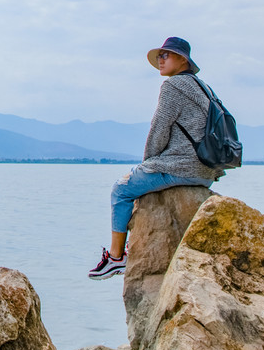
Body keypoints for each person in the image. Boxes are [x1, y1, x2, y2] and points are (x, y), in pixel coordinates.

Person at [88, 36, 218, 281]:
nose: (161, 59)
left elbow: (159, 128)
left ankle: (116, 258)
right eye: (160, 55)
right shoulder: (203, 87)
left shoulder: (174, 86)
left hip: (181, 166)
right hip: (206, 173)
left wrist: (147, 163)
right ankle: (118, 257)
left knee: (121, 190)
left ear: (183, 60)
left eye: (166, 55)